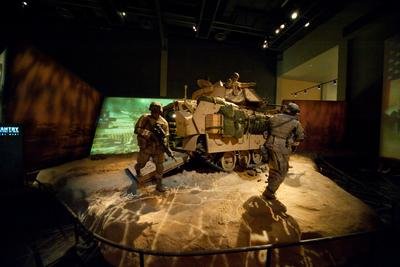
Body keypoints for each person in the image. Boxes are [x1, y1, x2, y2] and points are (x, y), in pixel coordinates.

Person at [261, 102, 305, 200]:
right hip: (281, 147)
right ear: (294, 112)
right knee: (282, 171)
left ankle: (270, 186)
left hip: (269, 144)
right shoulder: (295, 123)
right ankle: (269, 192)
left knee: (273, 168)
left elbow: (265, 129)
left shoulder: (274, 117)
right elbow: (300, 137)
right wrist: (293, 145)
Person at [134, 102, 170, 192]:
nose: (155, 112)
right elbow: (137, 129)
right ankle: (137, 170)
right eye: (153, 110)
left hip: (158, 148)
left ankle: (159, 184)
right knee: (141, 164)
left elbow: (166, 135)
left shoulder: (164, 122)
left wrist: (165, 144)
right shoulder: (145, 118)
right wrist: (149, 134)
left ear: (160, 111)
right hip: (147, 146)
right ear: (150, 110)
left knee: (160, 166)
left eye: (157, 110)